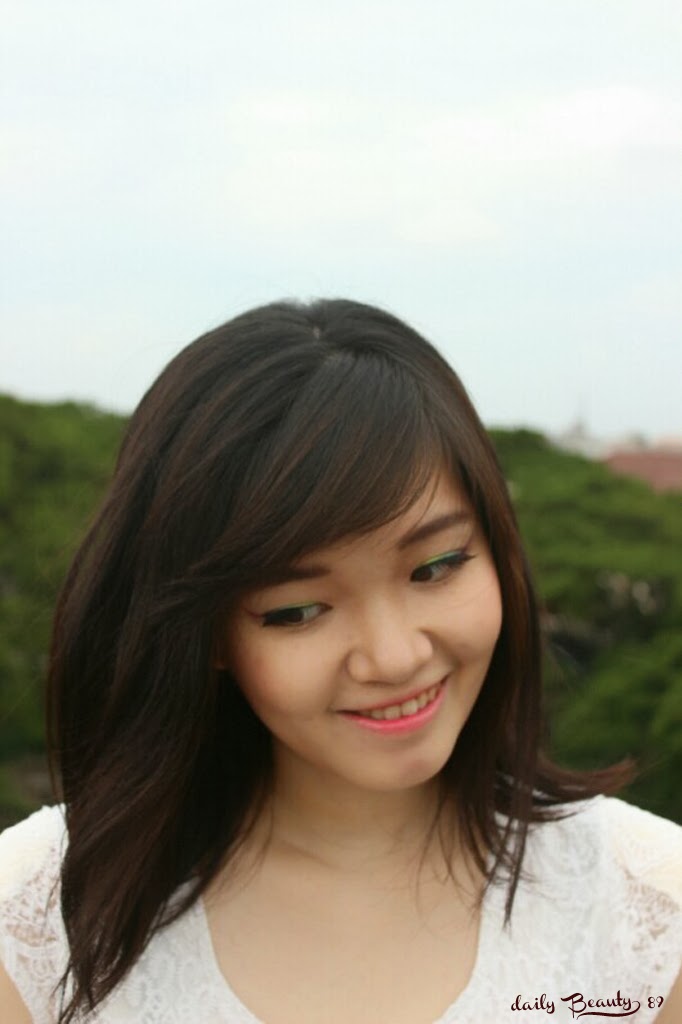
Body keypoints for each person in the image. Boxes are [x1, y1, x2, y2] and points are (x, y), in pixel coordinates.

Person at [0, 298, 679, 1024]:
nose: (394, 657)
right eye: (298, 610)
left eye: (435, 568)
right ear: (208, 635)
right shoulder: (37, 917)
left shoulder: (646, 911)